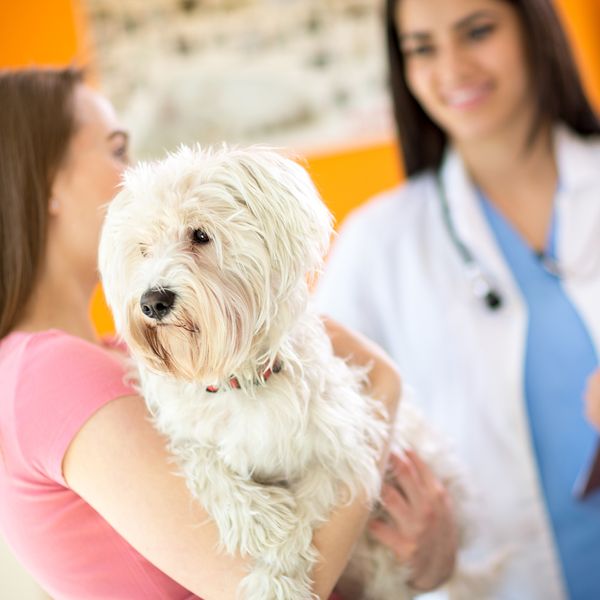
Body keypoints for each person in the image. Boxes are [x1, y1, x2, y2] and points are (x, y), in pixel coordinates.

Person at [0, 66, 456, 600]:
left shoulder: (132, 353)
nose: (138, 171)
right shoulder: (48, 371)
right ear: (49, 179)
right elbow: (271, 586)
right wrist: (383, 388)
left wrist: (432, 555)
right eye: (117, 149)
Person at [315, 0, 600, 598]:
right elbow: (313, 453)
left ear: (534, 30)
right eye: (422, 47)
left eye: (478, 31)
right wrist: (407, 548)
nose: (452, 68)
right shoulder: (377, 246)